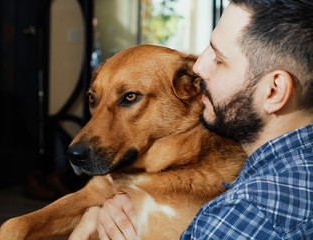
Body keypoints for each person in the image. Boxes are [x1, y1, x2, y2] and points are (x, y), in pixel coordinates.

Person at [70, 0, 313, 239]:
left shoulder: (244, 214)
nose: (198, 68)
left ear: (274, 91)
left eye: (219, 59)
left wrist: (86, 226)